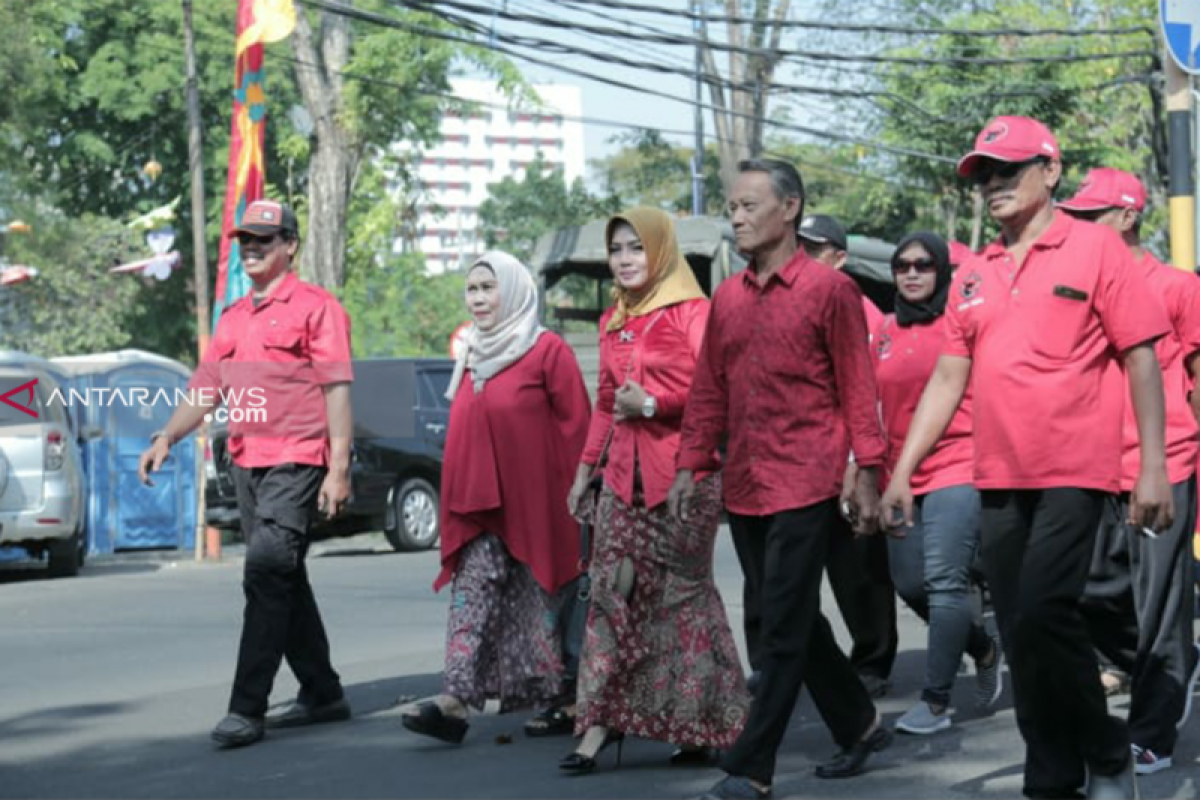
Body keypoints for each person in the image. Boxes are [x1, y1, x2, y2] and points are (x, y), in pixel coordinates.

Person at [880, 116, 1173, 800]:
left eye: (1007, 170)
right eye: (983, 175)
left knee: (1044, 613)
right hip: (997, 476)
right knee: (1020, 629)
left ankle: (1105, 752)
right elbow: (949, 376)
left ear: (1050, 171)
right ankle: (1052, 774)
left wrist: (1152, 464)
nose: (993, 186)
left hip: (1077, 470)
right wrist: (901, 471)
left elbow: (1141, 356)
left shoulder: (1097, 248)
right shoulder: (975, 272)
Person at [672, 159, 891, 800]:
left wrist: (867, 470)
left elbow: (858, 385)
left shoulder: (831, 292)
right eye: (732, 207)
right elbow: (708, 389)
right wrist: (691, 463)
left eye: (748, 205)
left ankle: (753, 766)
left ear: (789, 208)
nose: (735, 217)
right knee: (782, 616)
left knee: (781, 629)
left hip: (809, 480)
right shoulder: (728, 298)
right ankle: (861, 723)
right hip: (745, 482)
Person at [138, 199, 354, 749]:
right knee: (283, 576)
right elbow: (207, 386)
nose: (252, 247)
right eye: (245, 240)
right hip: (247, 462)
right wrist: (167, 436)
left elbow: (336, 388)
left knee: (263, 573)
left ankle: (246, 707)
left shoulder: (317, 307)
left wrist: (339, 467)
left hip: (298, 459)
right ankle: (323, 692)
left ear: (290, 246)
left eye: (264, 238)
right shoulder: (233, 318)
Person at [560, 208, 749, 774]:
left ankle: (700, 725)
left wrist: (655, 404)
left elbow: (718, 390)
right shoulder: (612, 321)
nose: (624, 260)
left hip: (686, 479)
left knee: (682, 601)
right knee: (609, 598)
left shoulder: (693, 313)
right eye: (616, 249)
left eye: (636, 249)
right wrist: (582, 473)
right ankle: (596, 726)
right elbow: (604, 402)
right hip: (621, 481)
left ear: (661, 252)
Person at [400, 251, 591, 745]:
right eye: (473, 289)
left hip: (539, 502)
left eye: (489, 287)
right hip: (479, 504)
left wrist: (580, 494)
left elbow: (577, 428)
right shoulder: (470, 351)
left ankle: (562, 700)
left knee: (540, 601)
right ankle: (455, 700)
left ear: (515, 290)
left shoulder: (547, 351)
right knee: (472, 594)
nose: (480, 298)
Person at [1059, 167, 1200, 775]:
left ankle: (1153, 730)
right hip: (1091, 465)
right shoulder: (1076, 288)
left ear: (1126, 218)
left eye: (1092, 217)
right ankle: (1167, 665)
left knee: (1161, 601)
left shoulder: (1174, 286)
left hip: (1161, 461)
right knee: (1089, 590)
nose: (1080, 227)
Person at [871, 231, 1003, 736]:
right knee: (910, 584)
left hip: (958, 463)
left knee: (946, 582)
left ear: (942, 271)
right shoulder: (883, 331)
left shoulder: (962, 323)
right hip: (899, 473)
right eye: (901, 264)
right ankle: (983, 647)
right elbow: (869, 406)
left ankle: (935, 701)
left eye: (924, 265)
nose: (911, 273)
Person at [799, 213, 898, 699]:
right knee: (792, 576)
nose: (805, 257)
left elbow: (872, 397)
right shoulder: (789, 305)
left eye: (815, 249)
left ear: (839, 258)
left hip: (854, 460)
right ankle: (795, 664)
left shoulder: (863, 313)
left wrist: (861, 465)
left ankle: (872, 660)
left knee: (858, 570)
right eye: (800, 247)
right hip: (802, 461)